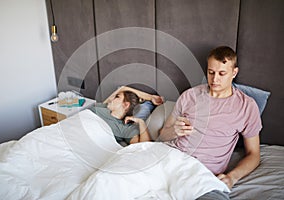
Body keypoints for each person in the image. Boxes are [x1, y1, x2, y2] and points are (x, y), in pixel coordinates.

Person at [159, 46, 262, 199]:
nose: (214, 79)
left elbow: (254, 154)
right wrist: (174, 131)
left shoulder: (246, 106)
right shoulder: (189, 96)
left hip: (203, 175)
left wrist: (232, 177)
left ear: (234, 73)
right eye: (211, 72)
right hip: (169, 162)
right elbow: (162, 135)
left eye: (222, 73)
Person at [90, 86, 164, 145]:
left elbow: (144, 146)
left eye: (117, 97)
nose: (111, 98)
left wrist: (141, 122)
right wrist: (150, 97)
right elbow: (122, 88)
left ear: (126, 105)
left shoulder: (125, 128)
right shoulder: (104, 106)